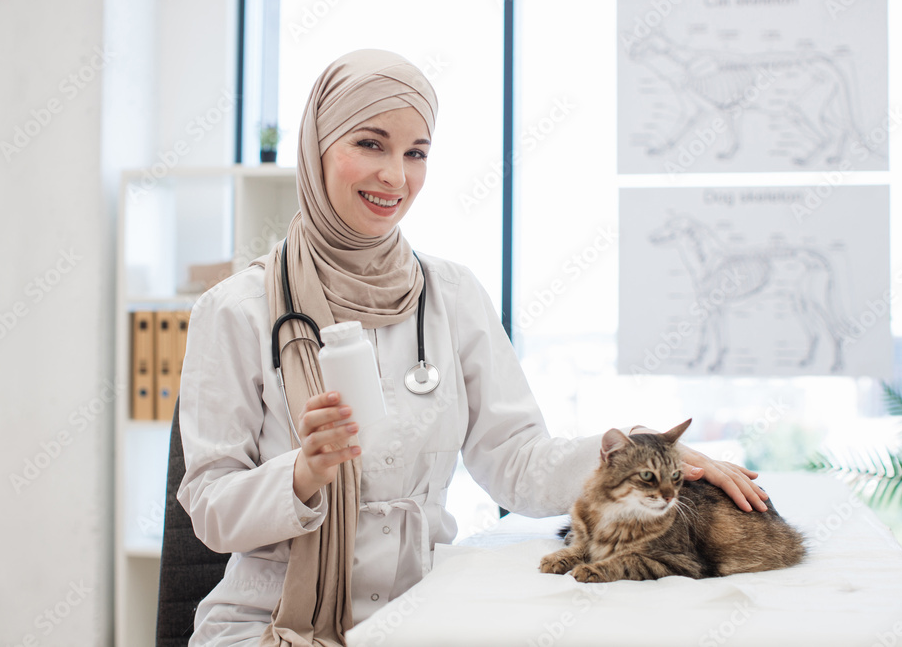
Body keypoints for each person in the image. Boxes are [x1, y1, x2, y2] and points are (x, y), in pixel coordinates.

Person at [176, 49, 769, 647]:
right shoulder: (236, 309)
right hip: (270, 622)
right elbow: (208, 506)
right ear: (316, 148)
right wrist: (303, 472)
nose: (395, 176)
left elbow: (516, 461)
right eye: (370, 144)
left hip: (426, 612)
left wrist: (635, 452)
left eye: (416, 153)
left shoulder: (451, 294)